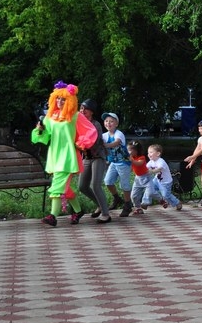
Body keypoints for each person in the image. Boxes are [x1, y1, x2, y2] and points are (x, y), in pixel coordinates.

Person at [32, 81, 99, 227]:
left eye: (63, 99)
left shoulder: (75, 116)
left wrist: (81, 142)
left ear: (70, 100)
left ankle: (53, 216)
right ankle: (78, 211)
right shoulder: (50, 117)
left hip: (68, 156)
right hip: (55, 155)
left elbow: (91, 131)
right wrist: (40, 130)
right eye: (57, 98)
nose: (60, 101)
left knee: (57, 186)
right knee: (65, 188)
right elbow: (45, 137)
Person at [77, 100, 112, 223]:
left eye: (85, 109)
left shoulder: (95, 124)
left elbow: (94, 142)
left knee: (95, 185)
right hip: (87, 158)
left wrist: (80, 144)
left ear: (91, 111)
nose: (82, 111)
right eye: (81, 108)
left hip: (98, 157)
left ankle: (106, 214)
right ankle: (100, 205)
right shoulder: (78, 123)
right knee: (82, 186)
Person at [101, 112, 133, 216]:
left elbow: (116, 142)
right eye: (106, 121)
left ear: (116, 124)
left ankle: (128, 204)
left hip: (123, 163)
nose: (108, 123)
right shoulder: (104, 135)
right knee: (108, 181)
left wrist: (105, 145)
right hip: (113, 163)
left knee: (124, 184)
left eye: (111, 121)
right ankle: (117, 198)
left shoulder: (119, 134)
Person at [146, 144, 182, 210]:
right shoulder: (151, 162)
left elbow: (158, 169)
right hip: (157, 180)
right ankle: (145, 202)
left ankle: (177, 202)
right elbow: (145, 168)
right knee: (149, 188)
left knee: (166, 195)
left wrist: (151, 171)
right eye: (148, 153)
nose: (148, 154)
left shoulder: (161, 161)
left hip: (165, 182)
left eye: (151, 152)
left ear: (158, 154)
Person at [127, 140, 150, 215]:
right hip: (137, 178)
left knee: (150, 192)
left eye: (130, 150)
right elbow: (131, 168)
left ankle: (160, 200)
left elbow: (138, 164)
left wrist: (132, 160)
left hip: (146, 177)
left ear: (136, 150)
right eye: (127, 150)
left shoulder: (141, 157)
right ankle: (138, 208)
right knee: (133, 195)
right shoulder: (132, 158)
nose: (128, 152)